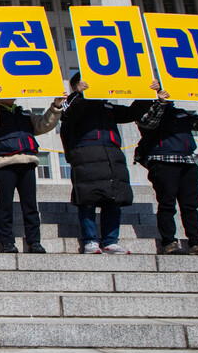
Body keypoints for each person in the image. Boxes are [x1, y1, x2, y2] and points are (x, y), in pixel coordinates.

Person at [135, 79, 198, 255]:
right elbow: (149, 123)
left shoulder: (180, 113)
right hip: (163, 162)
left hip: (188, 162)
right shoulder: (145, 112)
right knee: (167, 204)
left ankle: (197, 242)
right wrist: (160, 103)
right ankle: (169, 242)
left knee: (190, 206)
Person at [60, 73, 153, 254]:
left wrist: (146, 94)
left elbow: (131, 113)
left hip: (111, 156)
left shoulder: (105, 105)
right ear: (76, 85)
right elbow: (68, 116)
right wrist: (80, 95)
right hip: (86, 156)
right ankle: (90, 240)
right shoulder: (71, 101)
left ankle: (110, 240)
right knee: (87, 200)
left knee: (114, 199)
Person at [0, 82, 64, 253]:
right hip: (4, 162)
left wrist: (56, 106)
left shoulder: (24, 113)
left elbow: (43, 125)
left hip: (27, 162)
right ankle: (7, 242)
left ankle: (34, 242)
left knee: (30, 205)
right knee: (5, 204)